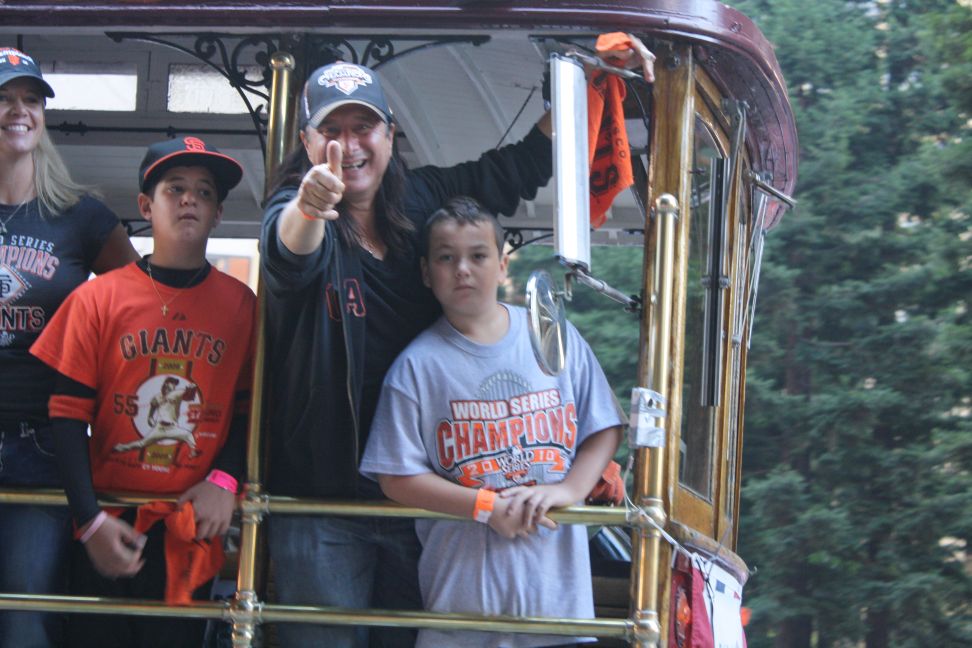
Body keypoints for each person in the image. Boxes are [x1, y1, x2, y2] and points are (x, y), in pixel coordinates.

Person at [259, 60, 553, 647]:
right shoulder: (296, 206)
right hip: (323, 497)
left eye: (363, 127)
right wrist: (311, 205)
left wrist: (595, 88)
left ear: (391, 134)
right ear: (307, 142)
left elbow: (516, 168)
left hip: (423, 495)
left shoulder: (423, 199)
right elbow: (287, 254)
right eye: (331, 130)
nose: (348, 145)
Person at [360, 196, 624, 648]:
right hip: (462, 614)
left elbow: (604, 428)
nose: (462, 269)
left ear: (503, 264)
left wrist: (567, 490)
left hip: (558, 609)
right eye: (447, 258)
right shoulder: (417, 367)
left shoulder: (551, 336)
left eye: (478, 255)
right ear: (427, 272)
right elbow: (396, 477)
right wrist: (485, 508)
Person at [29, 136, 255, 648]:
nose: (189, 199)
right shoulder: (97, 298)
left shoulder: (242, 306)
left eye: (203, 192)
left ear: (219, 214)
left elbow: (250, 411)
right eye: (175, 188)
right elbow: (65, 416)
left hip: (190, 522)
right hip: (108, 514)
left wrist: (226, 478)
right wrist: (88, 521)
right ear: (146, 206)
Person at [0, 46, 138, 648]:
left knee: (24, 613)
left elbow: (138, 309)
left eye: (30, 99)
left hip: (39, 440)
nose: (19, 110)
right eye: (4, 99)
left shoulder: (79, 216)